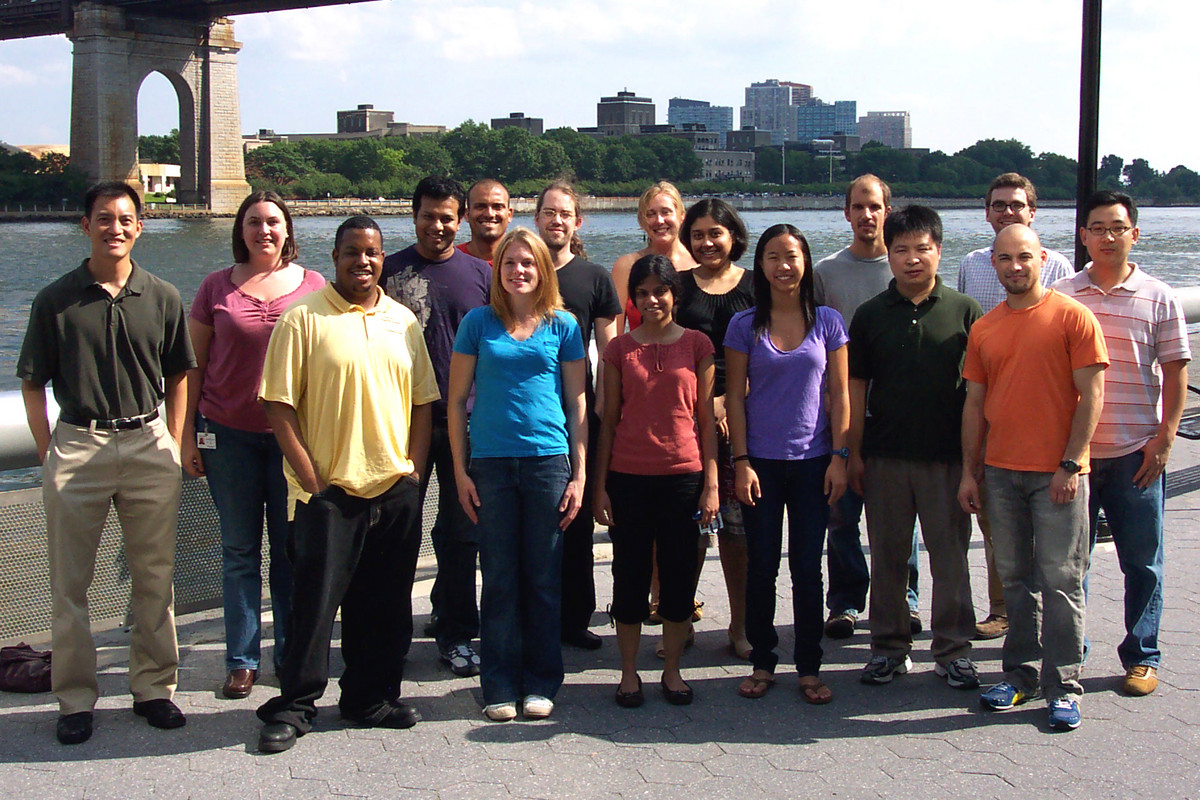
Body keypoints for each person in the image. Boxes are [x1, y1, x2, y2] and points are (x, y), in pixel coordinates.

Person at [18, 181, 196, 745]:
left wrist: (173, 436)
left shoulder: (163, 295)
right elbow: (31, 381)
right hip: (79, 443)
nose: (114, 228)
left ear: (139, 227)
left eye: (125, 219)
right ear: (85, 225)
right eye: (103, 218)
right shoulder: (55, 299)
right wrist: (50, 451)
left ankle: (153, 688)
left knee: (154, 577)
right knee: (71, 584)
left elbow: (179, 374)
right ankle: (74, 698)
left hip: (147, 443)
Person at [255, 216, 438, 753]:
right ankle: (294, 706)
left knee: (383, 604)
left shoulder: (402, 321)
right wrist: (311, 480)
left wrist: (415, 471)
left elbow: (423, 401)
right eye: (352, 251)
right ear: (334, 257)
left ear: (384, 258)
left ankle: (368, 697)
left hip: (394, 486)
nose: (363, 261)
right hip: (328, 492)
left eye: (373, 252)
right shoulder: (302, 319)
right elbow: (277, 403)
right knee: (314, 606)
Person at [959, 223, 1107, 732]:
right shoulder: (986, 328)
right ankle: (1020, 674)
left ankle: (1063, 685)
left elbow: (1092, 396)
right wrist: (970, 472)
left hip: (1058, 474)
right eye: (1005, 259)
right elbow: (975, 404)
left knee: (1063, 581)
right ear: (993, 264)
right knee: (1017, 580)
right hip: (1001, 472)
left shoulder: (1073, 317)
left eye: (1024, 257)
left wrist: (1071, 463)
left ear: (1042, 258)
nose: (1015, 266)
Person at [181, 191, 325, 700]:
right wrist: (186, 436)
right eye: (254, 222)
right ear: (239, 231)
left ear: (288, 230)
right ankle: (241, 659)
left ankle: (290, 652)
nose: (264, 230)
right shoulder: (214, 287)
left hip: (293, 440)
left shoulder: (313, 287)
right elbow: (193, 365)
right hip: (227, 436)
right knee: (239, 550)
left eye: (273, 222)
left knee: (290, 552)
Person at [1053, 191, 1190, 697]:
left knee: (1142, 559)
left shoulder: (1159, 296)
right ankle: (1072, 652)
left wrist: (1165, 439)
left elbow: (1176, 374)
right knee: (1071, 564)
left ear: (1135, 233)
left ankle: (1142, 655)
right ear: (1083, 236)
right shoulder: (1063, 296)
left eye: (1117, 227)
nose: (1108, 237)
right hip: (1076, 456)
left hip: (1136, 451)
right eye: (1097, 228)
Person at [447, 228, 587, 722]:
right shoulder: (477, 323)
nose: (519, 270)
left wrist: (580, 472)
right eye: (510, 263)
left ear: (543, 270)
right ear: (497, 270)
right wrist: (461, 471)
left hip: (547, 462)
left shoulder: (563, 325)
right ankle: (500, 683)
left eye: (528, 263)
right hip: (490, 464)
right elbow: (456, 401)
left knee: (543, 577)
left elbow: (576, 403)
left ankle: (542, 680)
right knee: (501, 578)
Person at [849, 206, 982, 690]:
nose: (911, 259)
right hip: (885, 456)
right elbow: (856, 388)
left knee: (951, 558)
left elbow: (978, 393)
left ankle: (952, 650)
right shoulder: (869, 315)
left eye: (921, 249)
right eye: (900, 249)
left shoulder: (964, 309)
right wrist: (854, 453)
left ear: (938, 251)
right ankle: (888, 647)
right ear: (888, 253)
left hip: (947, 459)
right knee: (886, 557)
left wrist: (974, 464)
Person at [726, 224, 849, 704]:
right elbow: (734, 396)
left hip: (814, 461)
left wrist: (840, 457)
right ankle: (762, 659)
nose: (783, 266)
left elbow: (839, 396)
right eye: (772, 256)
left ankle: (809, 666)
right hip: (760, 461)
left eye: (792, 256)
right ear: (761, 265)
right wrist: (740, 460)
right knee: (761, 566)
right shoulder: (745, 324)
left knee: (806, 567)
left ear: (805, 262)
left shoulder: (828, 321)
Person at [594, 254, 719, 707]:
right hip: (628, 477)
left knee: (679, 575)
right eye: (642, 292)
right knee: (628, 576)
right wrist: (600, 486)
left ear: (675, 295)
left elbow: (705, 418)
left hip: (684, 476)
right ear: (633, 299)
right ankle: (628, 672)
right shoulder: (619, 350)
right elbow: (608, 421)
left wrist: (712, 484)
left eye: (660, 291)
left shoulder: (698, 345)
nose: (652, 300)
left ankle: (671, 669)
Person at [382, 176, 492, 678]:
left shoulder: (481, 274)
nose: (439, 225)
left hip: (464, 422)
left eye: (448, 216)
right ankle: (389, 633)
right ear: (414, 215)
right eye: (429, 215)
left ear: (462, 218)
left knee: (460, 532)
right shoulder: (388, 271)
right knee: (395, 530)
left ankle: (455, 632)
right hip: (401, 422)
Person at [957, 172, 1075, 641]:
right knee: (996, 519)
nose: (1008, 211)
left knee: (1053, 532)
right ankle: (1003, 607)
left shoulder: (1059, 267)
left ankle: (1058, 625)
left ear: (1033, 212)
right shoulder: (971, 263)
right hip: (988, 404)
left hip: (1044, 411)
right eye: (999, 204)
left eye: (1017, 204)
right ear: (986, 212)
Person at [814, 175, 922, 640]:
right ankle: (845, 602)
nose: (867, 215)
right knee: (841, 515)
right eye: (858, 207)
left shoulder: (906, 268)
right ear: (846, 213)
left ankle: (906, 600)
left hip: (897, 413)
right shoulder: (826, 272)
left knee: (901, 520)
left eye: (875, 206)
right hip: (839, 414)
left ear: (888, 210)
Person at [534, 181, 622, 650]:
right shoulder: (518, 271)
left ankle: (575, 617)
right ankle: (533, 615)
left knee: (577, 516)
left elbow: (610, 352)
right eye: (549, 212)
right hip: (527, 408)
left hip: (578, 409)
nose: (557, 220)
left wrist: (608, 408)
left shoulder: (594, 277)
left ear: (577, 221)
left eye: (565, 213)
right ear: (536, 218)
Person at [675, 197, 754, 658]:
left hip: (746, 418)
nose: (707, 243)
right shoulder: (679, 287)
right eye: (699, 234)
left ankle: (740, 627)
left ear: (733, 236)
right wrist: (707, 404)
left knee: (738, 531)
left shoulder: (755, 286)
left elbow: (769, 351)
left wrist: (729, 401)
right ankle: (679, 622)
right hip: (687, 418)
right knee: (691, 531)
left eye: (716, 233)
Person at [612, 181, 698, 333]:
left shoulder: (697, 263)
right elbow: (614, 333)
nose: (659, 220)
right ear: (642, 222)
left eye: (666, 212)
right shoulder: (626, 266)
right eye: (651, 214)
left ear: (681, 216)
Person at [458, 179, 513, 263]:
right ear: (467, 214)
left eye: (497, 207)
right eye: (480, 207)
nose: (489, 214)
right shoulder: (451, 261)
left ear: (509, 215)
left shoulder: (526, 261)